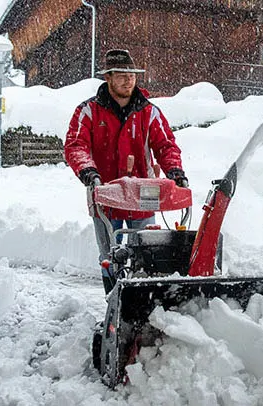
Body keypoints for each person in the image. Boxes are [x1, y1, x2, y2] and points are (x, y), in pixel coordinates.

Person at [64, 49, 188, 294]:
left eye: (131, 75)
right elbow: (76, 145)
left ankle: (140, 299)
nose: (128, 80)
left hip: (143, 194)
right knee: (110, 254)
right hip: (105, 193)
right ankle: (113, 300)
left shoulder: (149, 112)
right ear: (108, 78)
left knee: (145, 250)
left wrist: (175, 171)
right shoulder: (88, 111)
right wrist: (89, 172)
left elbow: (166, 145)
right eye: (121, 75)